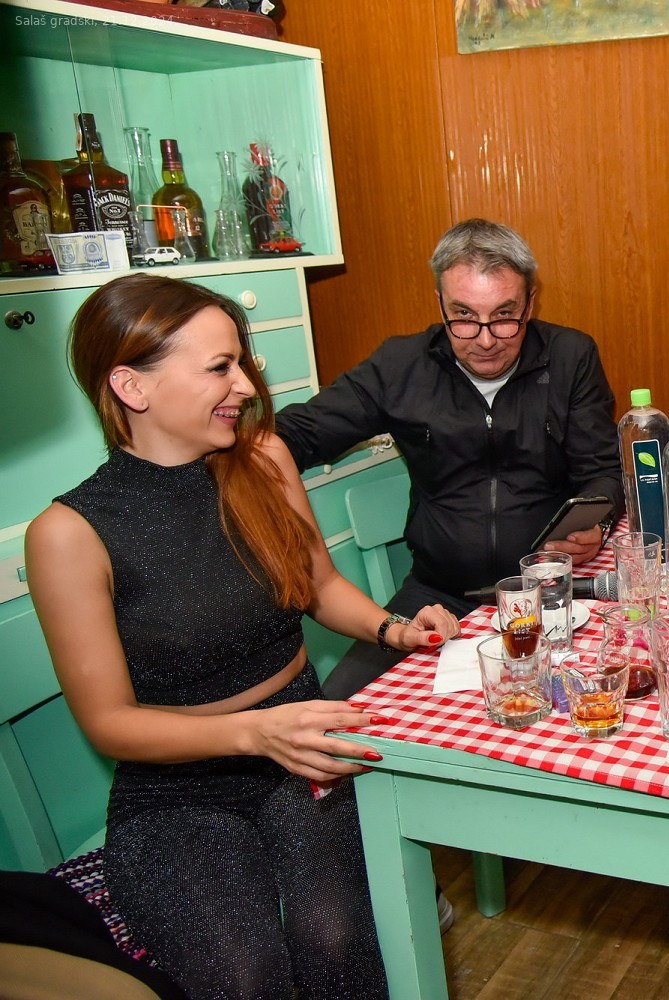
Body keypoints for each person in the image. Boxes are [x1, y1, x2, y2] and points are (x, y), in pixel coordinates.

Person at [24, 273, 460, 998]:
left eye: (241, 363)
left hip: (302, 752)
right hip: (176, 792)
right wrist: (253, 733)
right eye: (219, 368)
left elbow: (318, 584)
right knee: (245, 976)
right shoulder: (68, 533)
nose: (246, 387)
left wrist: (394, 629)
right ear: (132, 386)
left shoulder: (261, 460)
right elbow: (109, 722)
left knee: (337, 939)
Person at [277, 218, 624, 697]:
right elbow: (298, 433)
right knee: (339, 709)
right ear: (439, 302)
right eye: (463, 315)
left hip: (550, 591)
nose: (485, 339)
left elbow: (603, 471)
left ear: (530, 303)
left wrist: (595, 525)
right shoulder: (400, 365)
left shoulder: (570, 355)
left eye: (504, 315)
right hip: (439, 596)